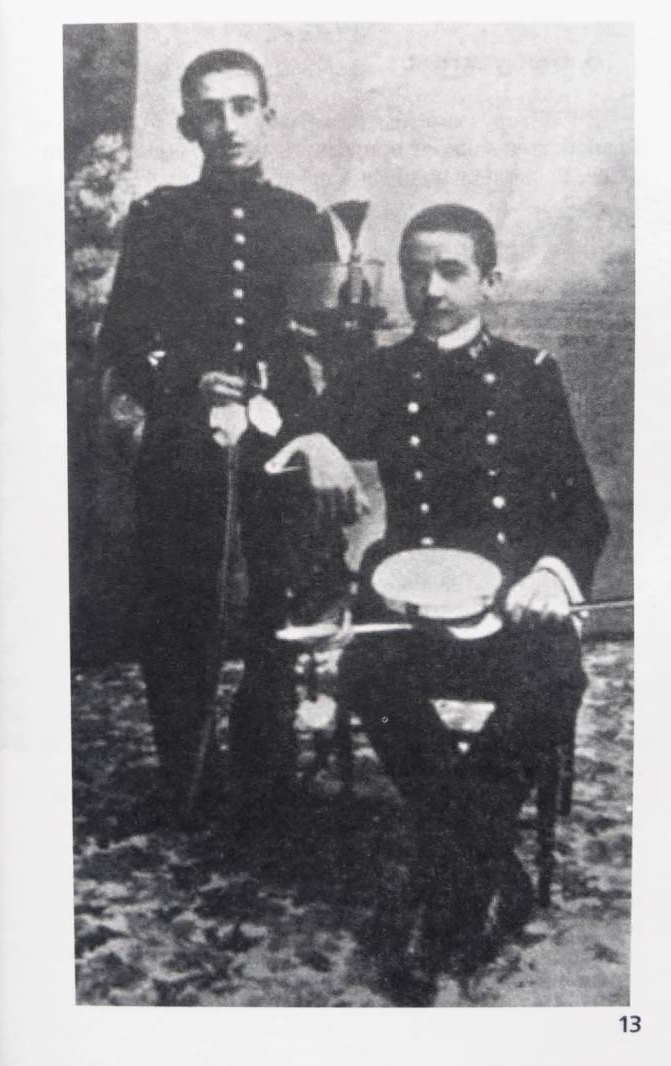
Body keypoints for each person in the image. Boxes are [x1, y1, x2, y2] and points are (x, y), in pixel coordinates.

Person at [272, 203, 609, 1001]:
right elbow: (293, 431)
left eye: (451, 271)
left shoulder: (529, 374)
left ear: (490, 280)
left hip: (510, 595)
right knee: (371, 674)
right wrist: (315, 442)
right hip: (409, 594)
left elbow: (581, 512)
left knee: (552, 682)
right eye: (416, 272)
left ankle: (449, 868)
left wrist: (550, 575)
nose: (430, 290)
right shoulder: (381, 373)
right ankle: (484, 865)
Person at [99, 48, 364, 831]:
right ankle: (185, 776)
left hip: (280, 436)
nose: (229, 125)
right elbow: (123, 339)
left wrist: (314, 429)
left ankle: (264, 773)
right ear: (188, 126)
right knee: (179, 607)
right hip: (184, 439)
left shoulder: (302, 219)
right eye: (210, 111)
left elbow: (326, 347)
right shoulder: (159, 218)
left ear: (267, 115)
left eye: (244, 107)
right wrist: (186, 379)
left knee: (278, 602)